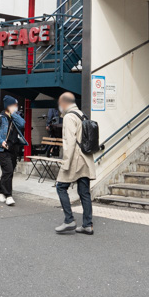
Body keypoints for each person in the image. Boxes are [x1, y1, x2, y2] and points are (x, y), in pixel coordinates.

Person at [55, 91, 95, 235]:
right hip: (86, 159)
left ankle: (69, 220)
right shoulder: (82, 115)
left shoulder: (69, 117)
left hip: (75, 159)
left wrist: (66, 163)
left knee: (60, 187)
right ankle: (87, 225)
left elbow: (70, 142)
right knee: (84, 192)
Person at [0, 96, 26, 206]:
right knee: (9, 170)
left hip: (14, 148)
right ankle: (8, 195)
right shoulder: (0, 118)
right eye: (13, 105)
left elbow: (22, 124)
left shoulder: (16, 116)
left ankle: (0, 192)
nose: (16, 107)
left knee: (8, 171)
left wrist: (14, 114)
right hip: (2, 148)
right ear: (7, 106)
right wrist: (1, 141)